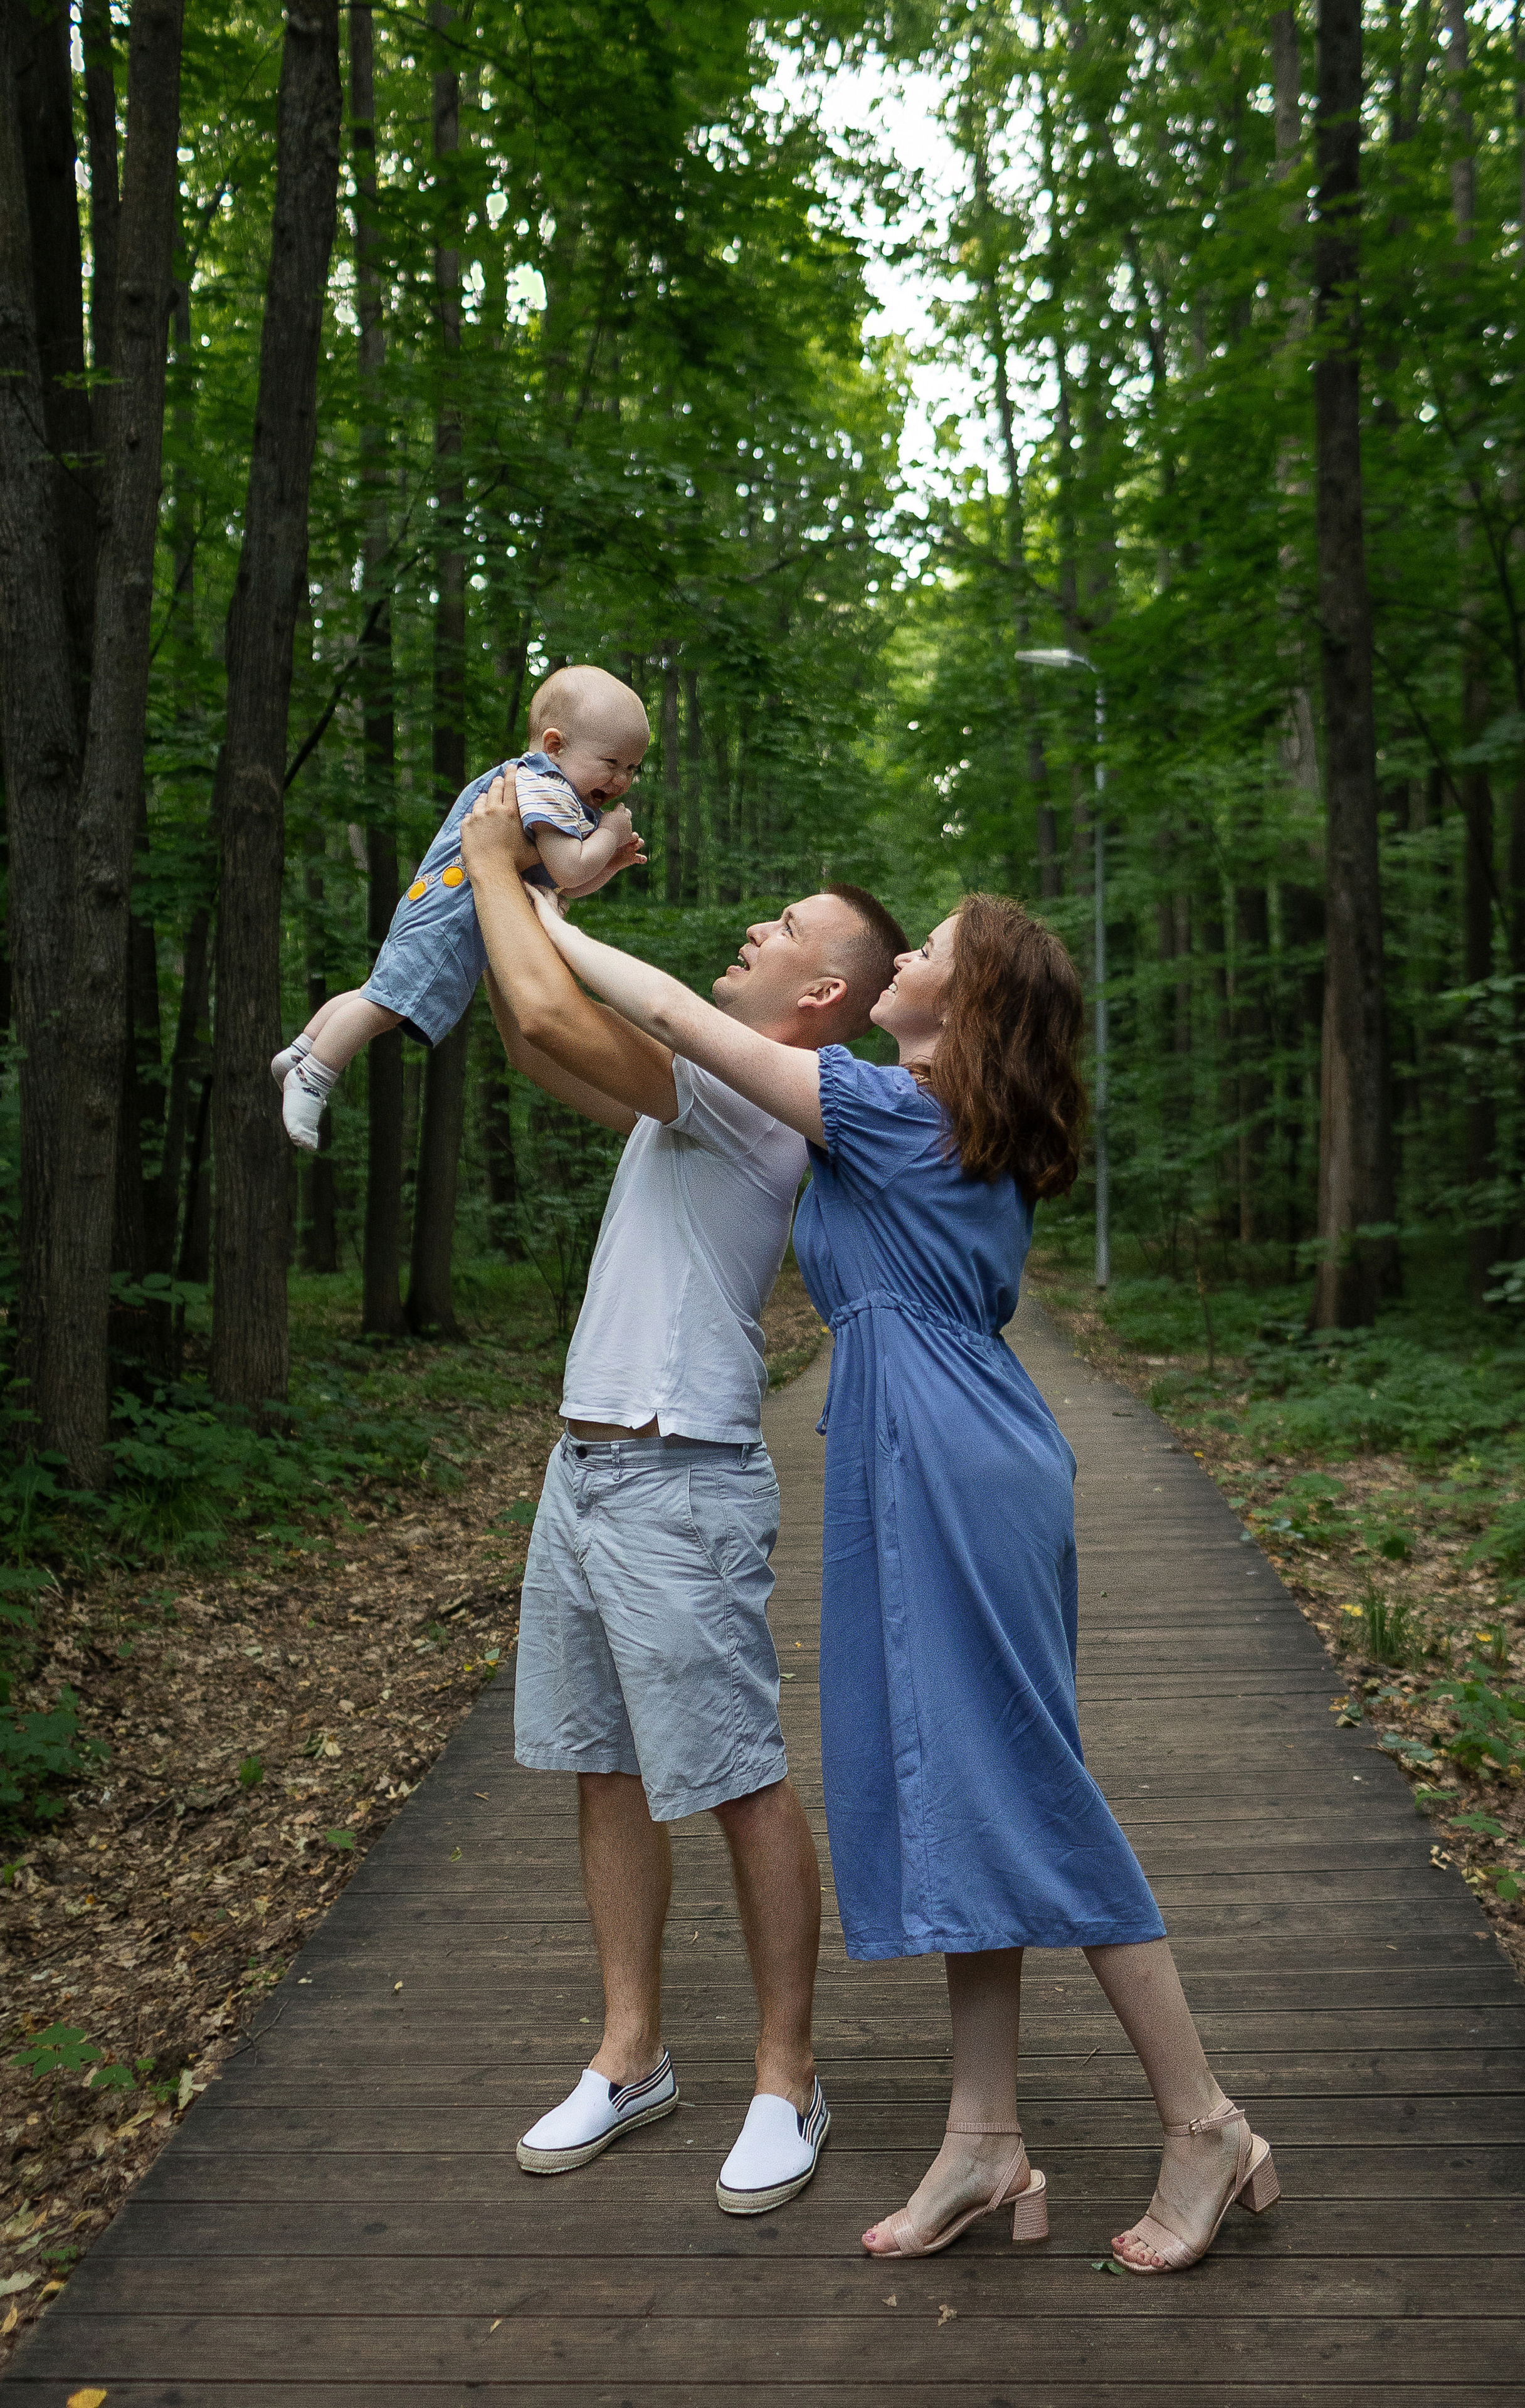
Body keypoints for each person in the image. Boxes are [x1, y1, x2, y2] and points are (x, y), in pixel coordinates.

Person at [512, 860, 1279, 2274]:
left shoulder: (885, 1108)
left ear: (961, 1003)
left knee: (1023, 1787)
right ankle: (982, 2141)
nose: (903, 955)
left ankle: (1204, 2121)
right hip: (913, 1449)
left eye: (926, 946)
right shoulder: (937, 1126)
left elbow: (682, 1016)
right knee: (949, 1792)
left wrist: (554, 925)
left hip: (944, 1462)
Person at [458, 768, 907, 2217]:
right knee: (604, 1767)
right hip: (581, 1465)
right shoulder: (697, 1094)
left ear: (821, 995)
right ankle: (630, 2053)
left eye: (785, 926)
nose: (756, 925)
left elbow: (546, 1008)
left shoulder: (762, 1103)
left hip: (679, 1471)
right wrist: (515, 903)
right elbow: (541, 1050)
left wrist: (501, 863)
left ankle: (789, 2077)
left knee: (735, 1780)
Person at [273, 665, 649, 1151]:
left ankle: (302, 1051)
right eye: (612, 762)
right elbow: (570, 869)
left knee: (381, 991)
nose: (622, 779)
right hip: (454, 916)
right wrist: (608, 836)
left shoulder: (554, 790)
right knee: (389, 1005)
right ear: (555, 746)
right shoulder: (547, 786)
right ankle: (314, 1079)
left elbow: (562, 885)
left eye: (633, 768)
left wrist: (610, 865)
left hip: (440, 904)